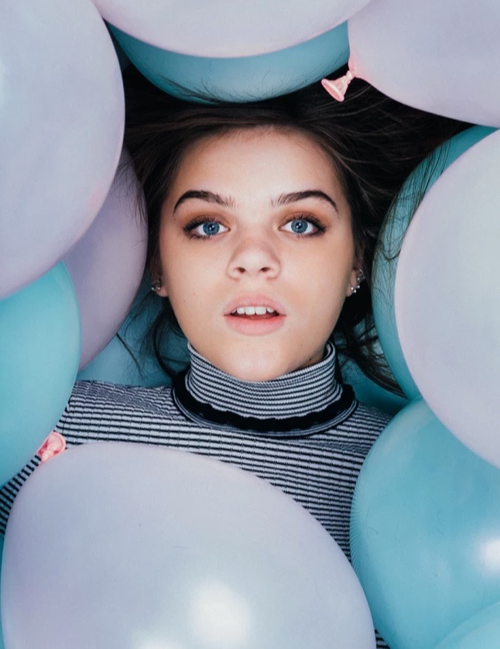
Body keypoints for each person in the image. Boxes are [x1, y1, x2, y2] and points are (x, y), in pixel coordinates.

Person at [0, 67, 465, 646]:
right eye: (208, 225)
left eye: (300, 223)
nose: (253, 258)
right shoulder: (41, 433)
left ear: (357, 261)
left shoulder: (432, 482)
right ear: (158, 265)